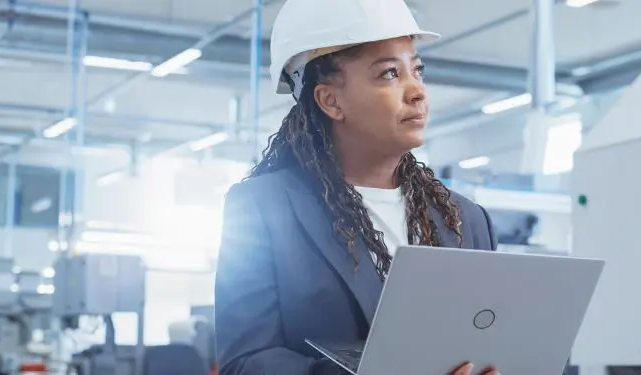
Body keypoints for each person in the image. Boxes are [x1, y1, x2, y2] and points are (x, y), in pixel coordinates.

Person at [213, 0, 500, 374]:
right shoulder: (262, 209)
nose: (417, 91)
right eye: (389, 74)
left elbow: (490, 337)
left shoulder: (467, 220)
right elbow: (245, 363)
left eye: (417, 70)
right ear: (330, 100)